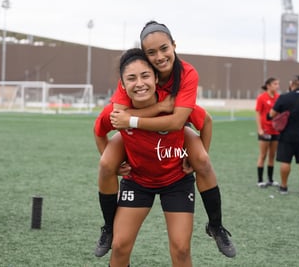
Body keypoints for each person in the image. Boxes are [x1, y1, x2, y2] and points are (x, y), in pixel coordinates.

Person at [96, 20, 235, 258]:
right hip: (139, 176)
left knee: (201, 159)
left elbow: (184, 121)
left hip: (174, 164)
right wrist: (153, 109)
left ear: (173, 45)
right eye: (151, 53)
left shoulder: (185, 76)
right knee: (107, 164)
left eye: (164, 49)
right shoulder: (134, 81)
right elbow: (111, 122)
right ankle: (109, 226)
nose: (159, 57)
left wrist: (134, 119)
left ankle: (215, 225)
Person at [96, 48, 196, 266]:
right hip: (138, 182)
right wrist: (115, 162)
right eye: (131, 78)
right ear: (122, 85)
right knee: (120, 246)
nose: (139, 83)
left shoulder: (173, 104)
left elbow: (205, 121)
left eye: (145, 76)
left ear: (156, 78)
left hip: (176, 181)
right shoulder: (115, 112)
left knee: (181, 249)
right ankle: (107, 227)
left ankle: (216, 224)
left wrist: (194, 160)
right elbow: (98, 130)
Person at [268, 75, 299, 195]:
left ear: (293, 84)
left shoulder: (284, 97)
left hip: (286, 135)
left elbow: (271, 114)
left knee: (285, 161)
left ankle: (284, 187)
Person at [255, 77, 280, 188]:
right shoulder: (261, 97)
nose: (277, 86)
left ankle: (270, 180)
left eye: (278, 84)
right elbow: (257, 113)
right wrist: (259, 128)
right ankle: (260, 180)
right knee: (263, 155)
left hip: (275, 131)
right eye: (275, 84)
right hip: (264, 130)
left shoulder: (278, 97)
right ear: (268, 85)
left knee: (272, 156)